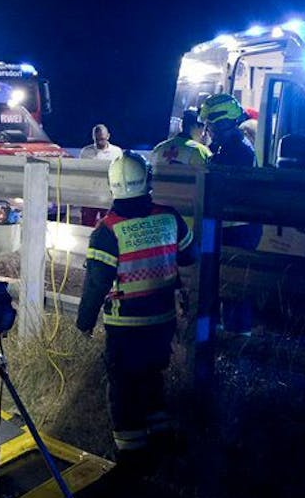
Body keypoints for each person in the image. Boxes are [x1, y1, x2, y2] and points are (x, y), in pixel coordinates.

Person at [76, 151, 195, 460]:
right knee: (153, 378)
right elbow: (189, 255)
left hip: (125, 328)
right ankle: (161, 436)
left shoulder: (107, 231)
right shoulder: (169, 217)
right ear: (148, 180)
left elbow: (96, 285)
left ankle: (132, 455)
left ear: (112, 185)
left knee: (124, 388)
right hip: (162, 321)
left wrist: (84, 323)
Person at [200, 93, 261, 333]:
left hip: (238, 228)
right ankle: (230, 331)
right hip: (236, 226)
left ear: (223, 122)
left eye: (211, 124)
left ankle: (237, 334)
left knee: (234, 282)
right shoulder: (233, 144)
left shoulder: (236, 150)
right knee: (227, 280)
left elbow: (217, 181)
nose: (208, 129)